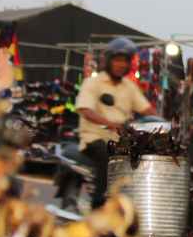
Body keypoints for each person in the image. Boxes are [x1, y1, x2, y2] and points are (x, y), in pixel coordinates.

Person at [64, 36, 155, 211]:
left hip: (122, 141)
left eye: (125, 61)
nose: (121, 64)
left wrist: (163, 124)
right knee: (109, 160)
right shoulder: (93, 83)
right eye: (117, 60)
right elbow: (85, 110)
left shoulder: (129, 87)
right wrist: (112, 124)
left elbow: (147, 110)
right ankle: (99, 208)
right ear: (108, 61)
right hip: (95, 139)